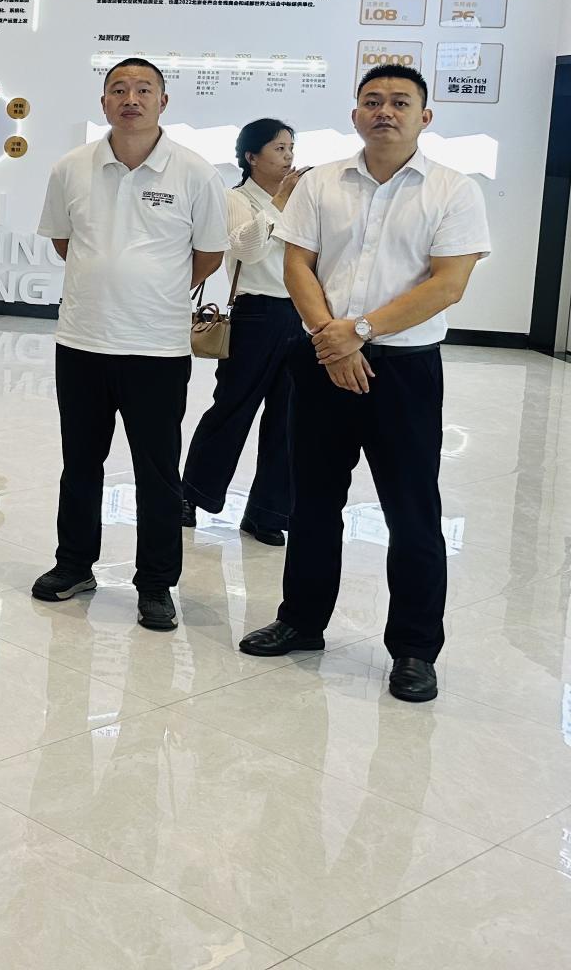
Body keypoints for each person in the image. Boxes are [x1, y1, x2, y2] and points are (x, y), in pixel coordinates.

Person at [240, 65, 490, 704]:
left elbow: (448, 283)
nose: (385, 111)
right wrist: (331, 338)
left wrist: (360, 332)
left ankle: (414, 649)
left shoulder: (453, 189)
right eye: (373, 101)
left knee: (412, 512)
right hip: (322, 359)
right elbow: (297, 263)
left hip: (403, 370)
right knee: (313, 502)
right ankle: (302, 620)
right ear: (355, 114)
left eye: (400, 102)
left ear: (424, 117)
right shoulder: (320, 183)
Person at [32, 58, 227, 633]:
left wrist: (151, 287)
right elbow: (65, 241)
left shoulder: (194, 172)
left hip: (157, 347)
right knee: (80, 463)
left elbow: (209, 254)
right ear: (103, 102)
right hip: (83, 340)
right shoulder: (72, 168)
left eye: (144, 89)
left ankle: (156, 583)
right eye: (118, 89)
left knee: (157, 471)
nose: (131, 99)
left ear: (164, 101)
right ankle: (74, 565)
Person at [179, 118, 302, 546]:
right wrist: (279, 202)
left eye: (291, 148)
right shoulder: (236, 198)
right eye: (279, 149)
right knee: (232, 409)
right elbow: (247, 250)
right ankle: (191, 495)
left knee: (287, 419)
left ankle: (266, 513)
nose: (288, 157)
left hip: (300, 315)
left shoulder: (303, 202)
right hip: (256, 314)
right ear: (251, 156)